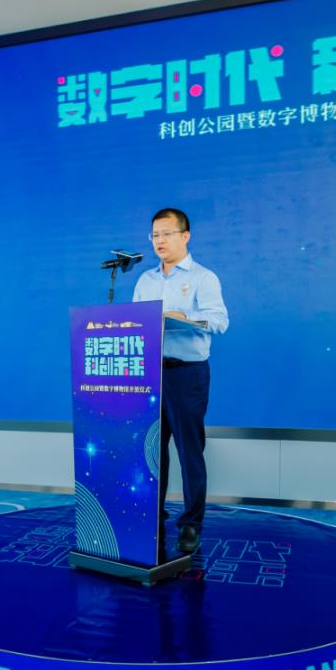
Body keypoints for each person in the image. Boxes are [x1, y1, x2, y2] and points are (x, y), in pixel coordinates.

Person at [133, 208, 228, 554]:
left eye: (166, 234)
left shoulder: (204, 278)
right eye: (155, 235)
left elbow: (220, 321)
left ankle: (190, 525)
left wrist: (182, 316)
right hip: (151, 374)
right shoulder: (145, 280)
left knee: (189, 451)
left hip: (187, 374)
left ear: (185, 236)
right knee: (151, 450)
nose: (159, 241)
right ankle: (151, 514)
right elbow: (136, 321)